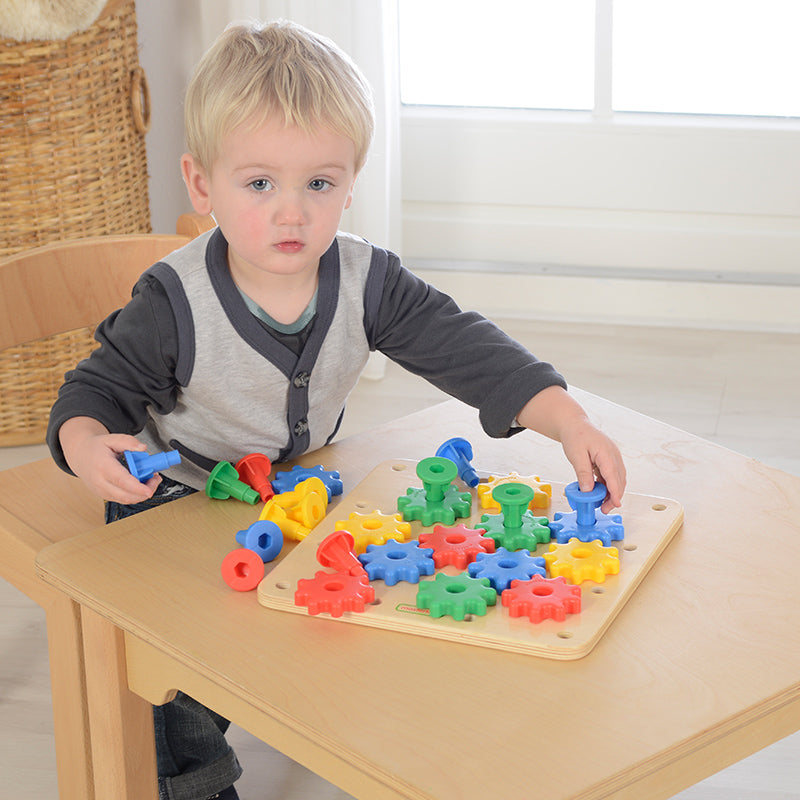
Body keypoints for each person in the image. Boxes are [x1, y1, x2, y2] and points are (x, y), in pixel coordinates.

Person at [47, 19, 626, 800]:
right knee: (178, 672)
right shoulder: (172, 301)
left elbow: (469, 349)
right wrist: (87, 446)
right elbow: (94, 392)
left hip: (302, 484)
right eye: (259, 185)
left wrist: (570, 421)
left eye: (318, 184)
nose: (292, 213)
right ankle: (193, 785)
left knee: (352, 617)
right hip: (175, 494)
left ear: (351, 185)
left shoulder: (367, 280)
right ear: (201, 184)